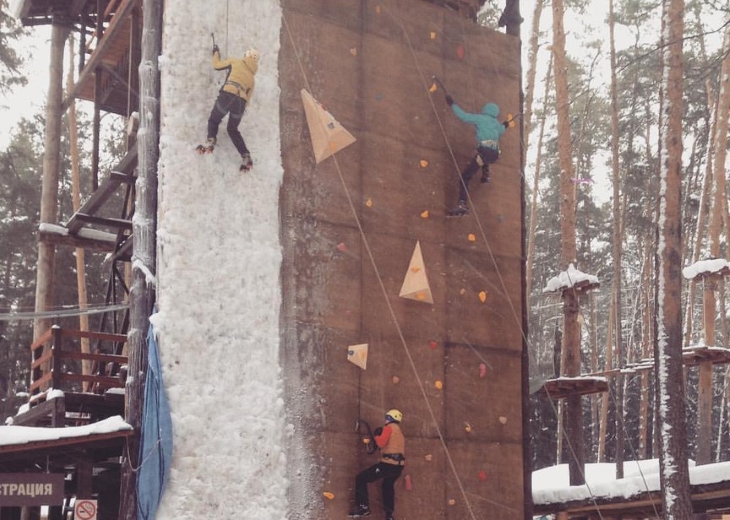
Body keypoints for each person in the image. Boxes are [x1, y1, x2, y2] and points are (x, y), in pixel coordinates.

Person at [196, 43, 259, 172]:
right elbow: (249, 98)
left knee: (214, 120)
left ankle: (211, 141)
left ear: (245, 55)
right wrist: (239, 110)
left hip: (228, 95)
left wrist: (216, 52)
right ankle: (246, 156)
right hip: (241, 103)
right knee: (233, 129)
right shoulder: (252, 79)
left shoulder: (235, 62)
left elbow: (216, 65)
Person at [445, 93, 509, 216]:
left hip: (484, 152)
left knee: (465, 177)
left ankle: (462, 204)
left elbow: (463, 116)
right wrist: (505, 125)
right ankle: (485, 175)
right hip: (494, 154)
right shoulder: (496, 124)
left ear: (485, 110)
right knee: (484, 158)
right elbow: (501, 129)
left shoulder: (480, 118)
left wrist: (452, 104)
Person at [349, 409, 405, 520]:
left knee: (361, 478)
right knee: (387, 486)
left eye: (387, 417)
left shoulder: (389, 428)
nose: (385, 419)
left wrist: (375, 437)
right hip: (398, 467)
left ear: (390, 418)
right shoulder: (399, 432)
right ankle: (389, 515)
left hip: (388, 465)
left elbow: (380, 443)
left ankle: (363, 507)